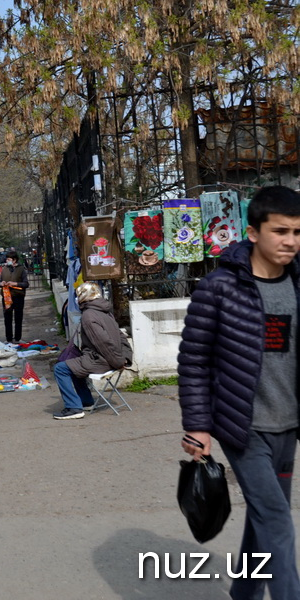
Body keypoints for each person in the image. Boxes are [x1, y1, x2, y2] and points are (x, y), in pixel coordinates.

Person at [179, 185, 300, 599]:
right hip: (241, 427)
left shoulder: (299, 282)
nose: (290, 241)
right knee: (278, 523)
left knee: (266, 518)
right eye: (280, 231)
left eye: (298, 232)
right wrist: (197, 426)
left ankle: (243, 595)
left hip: (289, 425)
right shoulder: (219, 287)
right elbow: (194, 359)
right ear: (253, 233)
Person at [51, 282, 132, 420]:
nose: (76, 299)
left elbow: (104, 344)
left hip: (102, 360)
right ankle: (86, 401)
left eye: (78, 295)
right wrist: (126, 357)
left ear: (83, 297)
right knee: (72, 366)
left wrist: (119, 361)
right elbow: (121, 337)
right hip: (108, 358)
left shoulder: (89, 315)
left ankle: (73, 407)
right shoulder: (105, 311)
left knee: (60, 368)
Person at [0, 249, 29, 343]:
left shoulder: (21, 269)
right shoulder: (4, 269)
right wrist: (1, 283)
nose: (7, 261)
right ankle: (9, 339)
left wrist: (15, 284)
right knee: (7, 318)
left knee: (18, 318)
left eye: (9, 259)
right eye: (7, 259)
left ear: (14, 260)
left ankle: (18, 338)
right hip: (6, 297)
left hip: (18, 296)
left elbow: (26, 284)